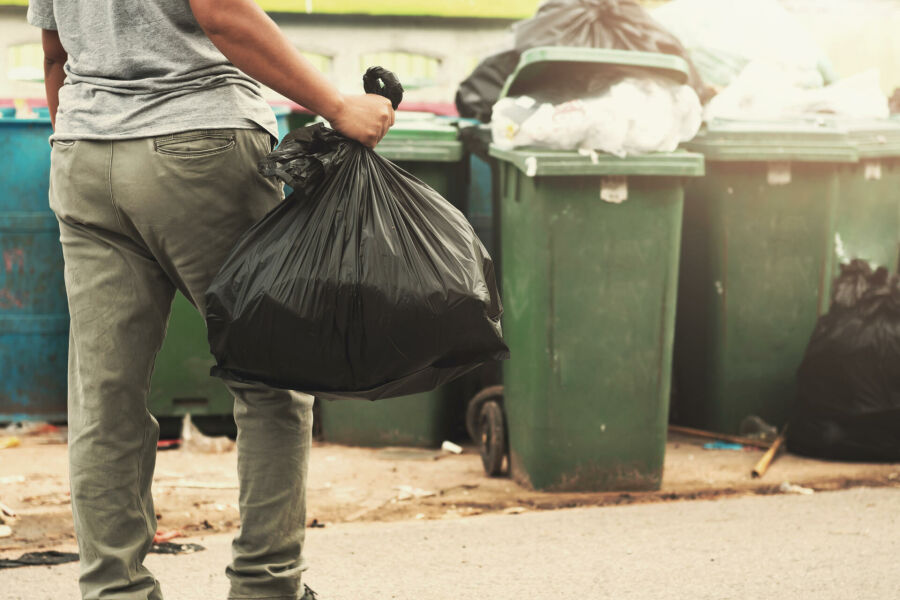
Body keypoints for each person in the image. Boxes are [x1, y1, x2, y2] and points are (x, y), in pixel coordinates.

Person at [27, 1, 394, 598]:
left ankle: (113, 589)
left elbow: (54, 54)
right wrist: (339, 106)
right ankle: (264, 587)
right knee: (271, 379)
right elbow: (223, 14)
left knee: (104, 398)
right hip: (200, 145)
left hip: (83, 156)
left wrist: (84, 140)